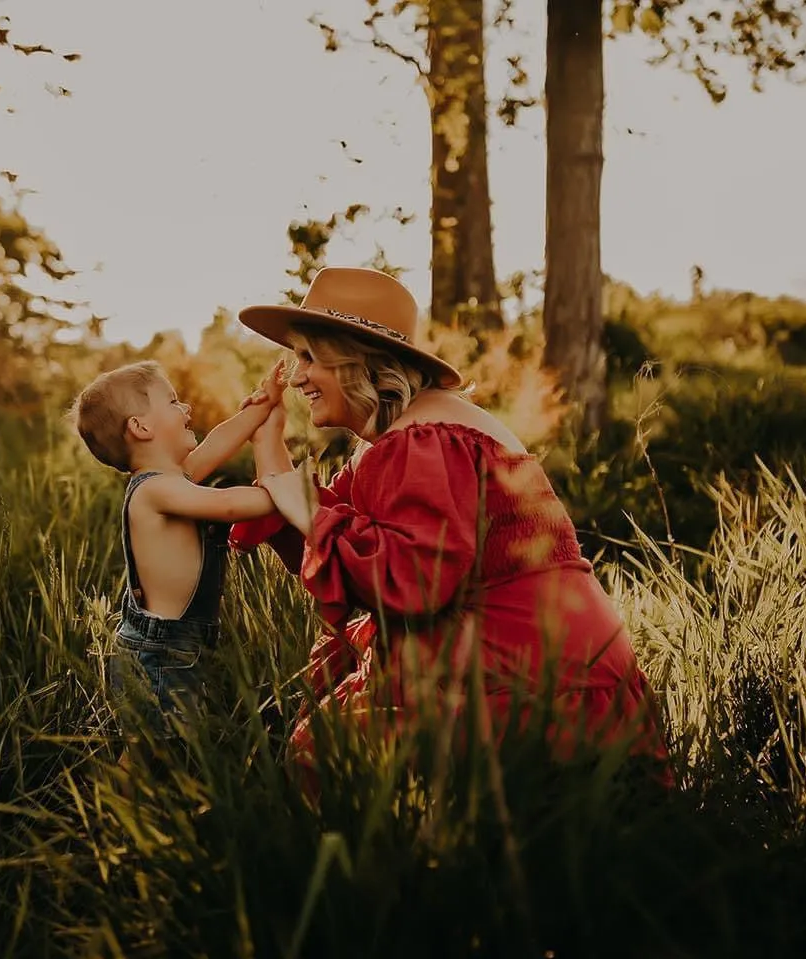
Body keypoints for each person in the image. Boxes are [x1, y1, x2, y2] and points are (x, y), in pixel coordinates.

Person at [229, 266, 671, 783]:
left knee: (327, 757)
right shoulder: (415, 432)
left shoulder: (423, 440)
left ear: (358, 361)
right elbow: (329, 531)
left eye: (309, 357)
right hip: (546, 670)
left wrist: (304, 510)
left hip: (531, 688)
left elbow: (411, 581)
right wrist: (268, 443)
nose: (297, 375)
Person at [70, 357, 287, 732]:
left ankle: (126, 787)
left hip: (173, 647)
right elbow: (230, 505)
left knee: (166, 746)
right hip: (161, 653)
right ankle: (114, 790)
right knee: (156, 752)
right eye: (172, 401)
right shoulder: (155, 490)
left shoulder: (171, 478)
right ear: (140, 427)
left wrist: (261, 407)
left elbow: (218, 440)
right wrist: (288, 492)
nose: (185, 407)